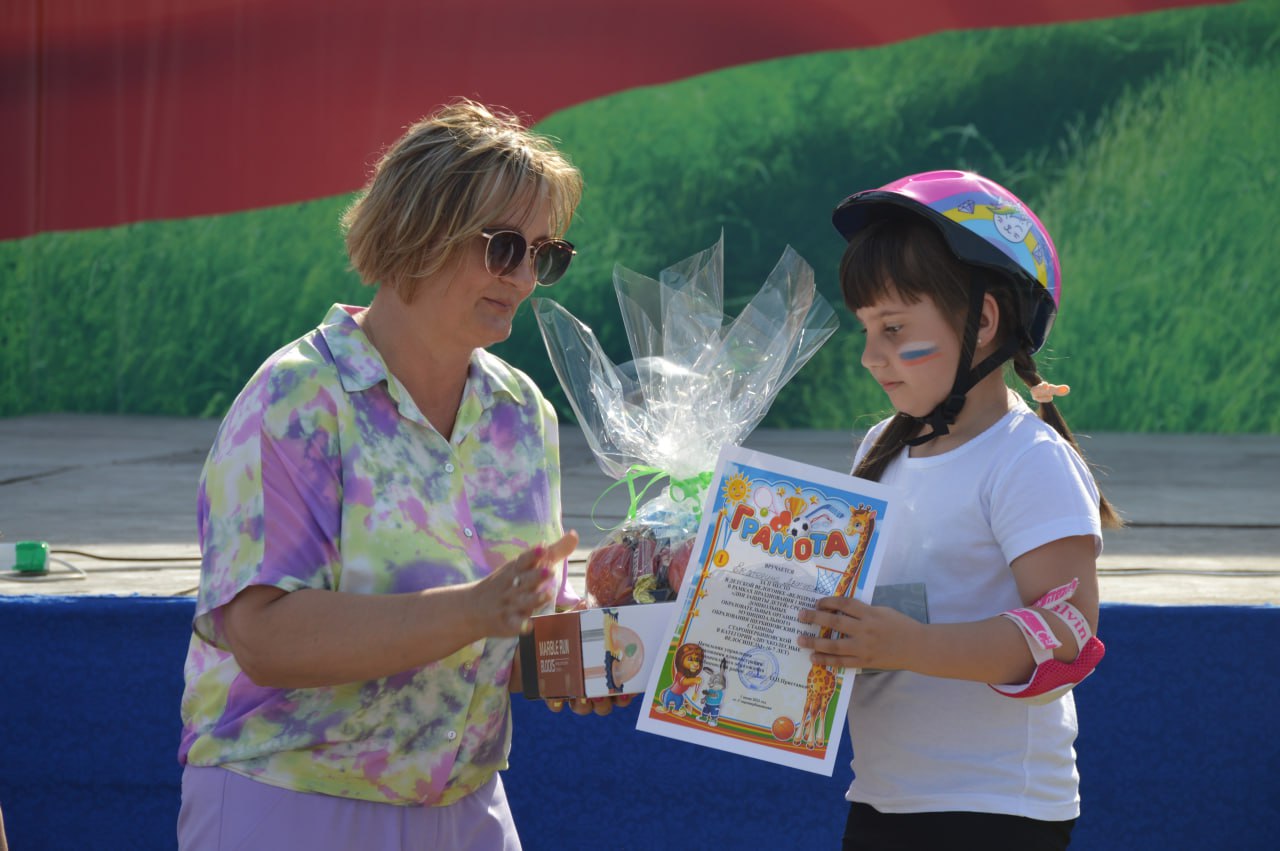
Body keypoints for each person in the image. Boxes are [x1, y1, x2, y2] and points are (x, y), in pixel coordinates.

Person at [177, 99, 616, 851]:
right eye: (505, 246)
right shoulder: (296, 396)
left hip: (468, 804)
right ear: (421, 230)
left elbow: (508, 634)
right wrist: (472, 611)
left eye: (545, 255)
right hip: (290, 799)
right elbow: (265, 638)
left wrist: (604, 647)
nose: (524, 277)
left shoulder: (522, 412)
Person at [798, 170, 1121, 850]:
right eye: (866, 329)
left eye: (894, 328)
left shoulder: (1027, 458)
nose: (871, 357)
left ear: (983, 321)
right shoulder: (880, 448)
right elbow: (876, 609)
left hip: (998, 807)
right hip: (883, 795)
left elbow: (1068, 631)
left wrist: (906, 645)